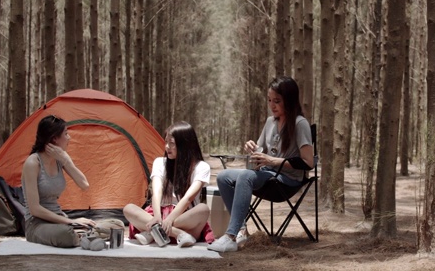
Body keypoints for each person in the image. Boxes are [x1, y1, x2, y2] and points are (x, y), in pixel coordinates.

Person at [209, 76, 314, 252]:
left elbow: (308, 162)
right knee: (223, 177)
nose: (272, 105)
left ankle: (230, 236)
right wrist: (252, 148)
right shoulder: (270, 122)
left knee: (245, 175)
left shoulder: (299, 124)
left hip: (287, 182)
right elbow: (260, 152)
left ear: (289, 100)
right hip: (267, 176)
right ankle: (241, 231)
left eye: (277, 101)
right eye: (269, 100)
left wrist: (273, 161)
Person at [124, 121, 211, 247]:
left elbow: (188, 198)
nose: (167, 147)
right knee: (128, 209)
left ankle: (153, 232)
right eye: (166, 142)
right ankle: (178, 234)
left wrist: (170, 219)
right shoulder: (159, 162)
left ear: (184, 145)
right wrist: (158, 217)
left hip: (184, 217)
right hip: (159, 213)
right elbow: (157, 192)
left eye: (172, 143)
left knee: (203, 209)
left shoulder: (202, 167)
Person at [22, 115, 97, 248]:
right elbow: (35, 209)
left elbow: (84, 185)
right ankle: (82, 235)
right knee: (66, 234)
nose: (69, 138)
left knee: (115, 225)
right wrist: (71, 221)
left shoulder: (59, 159)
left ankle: (82, 235)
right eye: (66, 134)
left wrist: (66, 160)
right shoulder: (33, 163)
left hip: (59, 219)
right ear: (54, 139)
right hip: (37, 224)